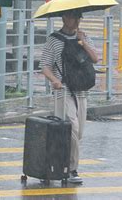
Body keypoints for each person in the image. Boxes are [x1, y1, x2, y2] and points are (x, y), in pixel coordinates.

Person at [40, 9, 98, 184]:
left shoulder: (83, 37)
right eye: (74, 17)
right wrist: (54, 80)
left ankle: (61, 163)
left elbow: (95, 59)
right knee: (71, 128)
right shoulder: (54, 40)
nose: (77, 20)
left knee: (78, 132)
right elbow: (45, 65)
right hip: (63, 91)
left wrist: (83, 42)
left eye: (79, 17)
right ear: (65, 18)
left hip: (81, 91)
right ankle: (72, 169)